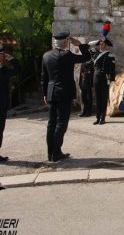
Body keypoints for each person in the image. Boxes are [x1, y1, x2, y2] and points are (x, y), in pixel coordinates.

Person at [41, 31, 91, 162]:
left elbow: (44, 77)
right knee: (61, 123)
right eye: (67, 41)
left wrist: (45, 93)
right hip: (64, 93)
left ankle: (50, 152)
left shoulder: (46, 56)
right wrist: (80, 44)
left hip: (52, 92)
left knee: (51, 123)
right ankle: (56, 152)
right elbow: (86, 57)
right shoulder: (66, 55)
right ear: (65, 42)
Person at [0, 44, 20, 162]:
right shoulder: (2, 70)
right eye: (3, 55)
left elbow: (17, 70)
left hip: (2, 104)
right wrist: (12, 59)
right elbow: (17, 69)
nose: (4, 57)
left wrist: (11, 59)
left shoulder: (3, 68)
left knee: (0, 129)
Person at [93, 38, 116, 125]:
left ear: (106, 45)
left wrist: (112, 80)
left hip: (104, 78)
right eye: (100, 44)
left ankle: (102, 118)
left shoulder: (109, 55)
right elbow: (88, 46)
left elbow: (112, 69)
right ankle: (97, 117)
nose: (100, 45)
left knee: (103, 98)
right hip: (96, 78)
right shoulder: (95, 54)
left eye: (102, 44)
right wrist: (96, 41)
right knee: (97, 98)